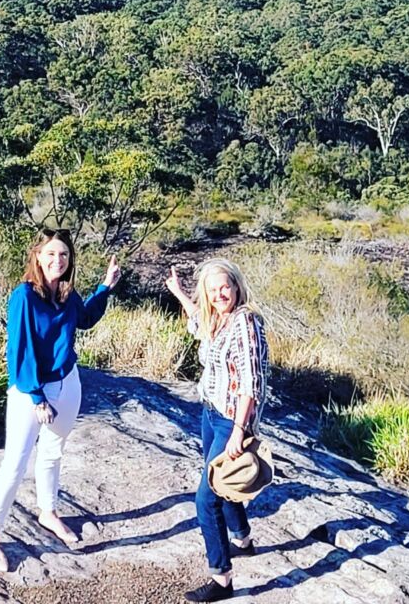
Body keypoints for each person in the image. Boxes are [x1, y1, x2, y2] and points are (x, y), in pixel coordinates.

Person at [0, 228, 121, 571]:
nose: (58, 260)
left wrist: (106, 286)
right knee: (15, 463)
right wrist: (37, 397)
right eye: (51, 253)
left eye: (64, 255)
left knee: (53, 452)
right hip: (31, 391)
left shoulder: (67, 294)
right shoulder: (24, 297)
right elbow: (20, 351)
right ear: (38, 257)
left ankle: (48, 511)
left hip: (67, 382)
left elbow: (85, 319)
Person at [165, 258, 269, 603]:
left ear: (237, 286)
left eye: (225, 286)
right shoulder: (218, 319)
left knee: (206, 498)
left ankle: (222, 579)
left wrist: (239, 430)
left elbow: (251, 383)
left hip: (230, 420)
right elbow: (199, 323)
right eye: (213, 290)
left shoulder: (245, 321)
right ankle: (243, 539)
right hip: (211, 413)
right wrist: (180, 293)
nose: (220, 294)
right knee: (224, 483)